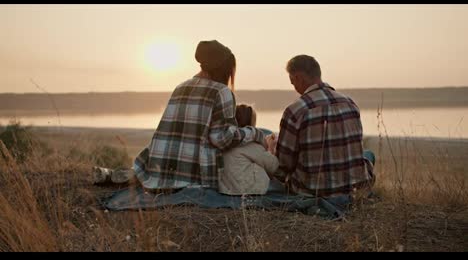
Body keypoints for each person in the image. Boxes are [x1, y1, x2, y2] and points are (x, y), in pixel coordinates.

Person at [131, 40, 267, 191]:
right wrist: (253, 133)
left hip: (157, 173)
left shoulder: (181, 86)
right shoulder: (221, 91)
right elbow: (222, 139)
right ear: (224, 69)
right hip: (192, 179)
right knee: (259, 135)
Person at [272, 55, 375, 197]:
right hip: (355, 189)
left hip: (312, 191)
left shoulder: (295, 111)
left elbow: (284, 166)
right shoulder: (350, 103)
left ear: (299, 78)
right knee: (368, 155)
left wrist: (272, 150)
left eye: (292, 83)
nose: (294, 88)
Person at [218, 104, 279, 195]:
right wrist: (270, 147)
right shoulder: (250, 145)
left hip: (226, 189)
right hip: (247, 190)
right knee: (263, 166)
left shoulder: (227, 141)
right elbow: (273, 166)